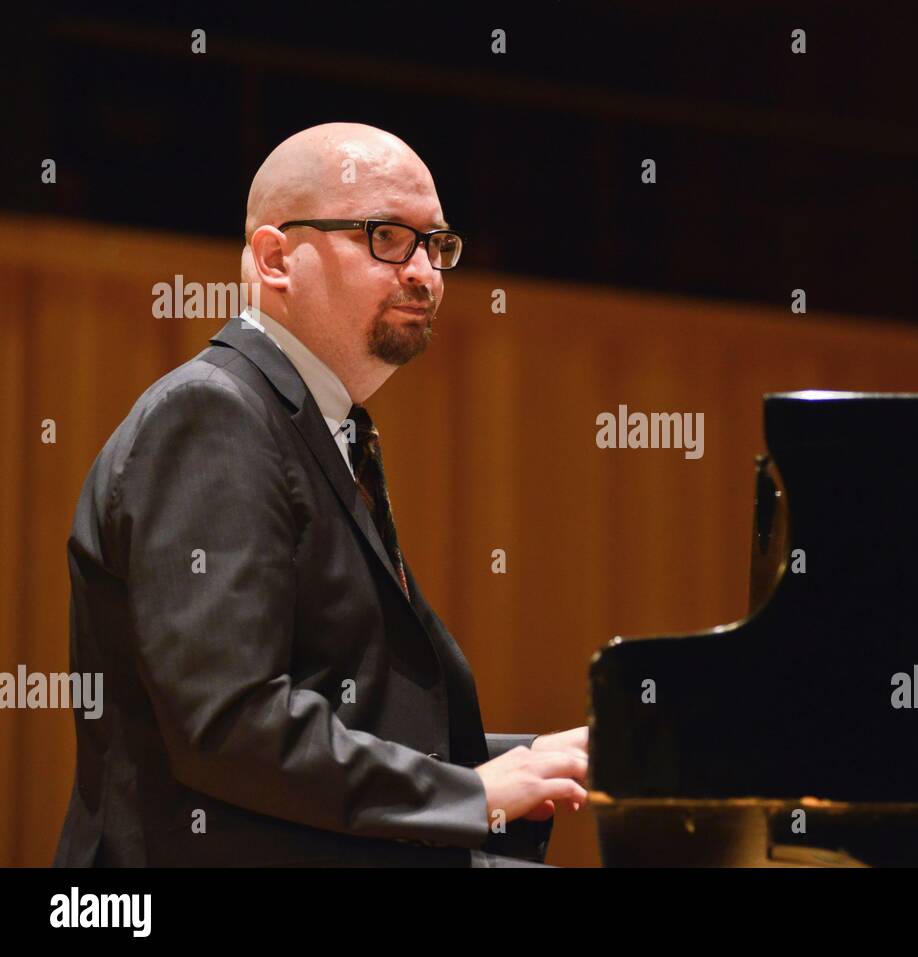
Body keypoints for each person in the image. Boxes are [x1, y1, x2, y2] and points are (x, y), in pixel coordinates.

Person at [53, 122, 588, 867]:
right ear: (276, 259)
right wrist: (472, 795)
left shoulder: (321, 424)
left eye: (437, 245)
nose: (425, 273)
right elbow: (231, 724)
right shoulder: (212, 416)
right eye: (387, 237)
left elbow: (354, 711)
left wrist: (528, 759)